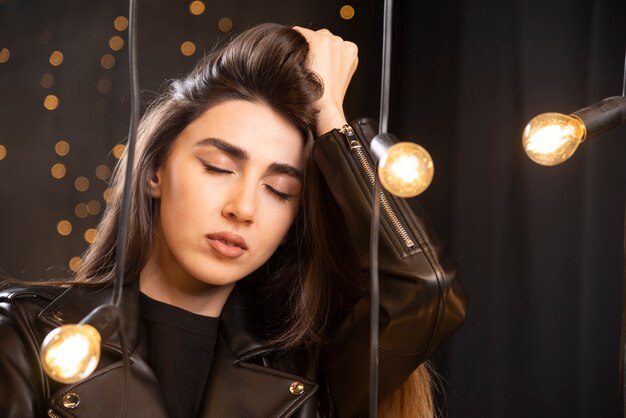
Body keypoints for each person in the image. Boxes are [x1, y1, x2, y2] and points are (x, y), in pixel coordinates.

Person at [0, 23, 466, 418]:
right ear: (155, 171)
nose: (243, 208)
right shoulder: (27, 334)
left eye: (280, 190)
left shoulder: (308, 371)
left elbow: (424, 291)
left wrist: (334, 123)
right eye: (219, 168)